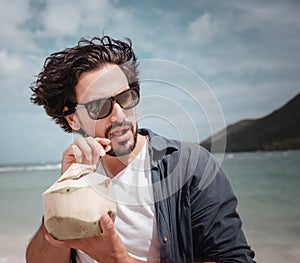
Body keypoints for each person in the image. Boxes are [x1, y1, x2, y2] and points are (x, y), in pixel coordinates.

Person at [26, 35, 256, 263]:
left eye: (125, 97)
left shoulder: (190, 166)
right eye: (99, 106)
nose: (119, 114)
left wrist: (118, 259)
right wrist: (63, 192)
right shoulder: (79, 173)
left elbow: (235, 259)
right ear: (73, 119)